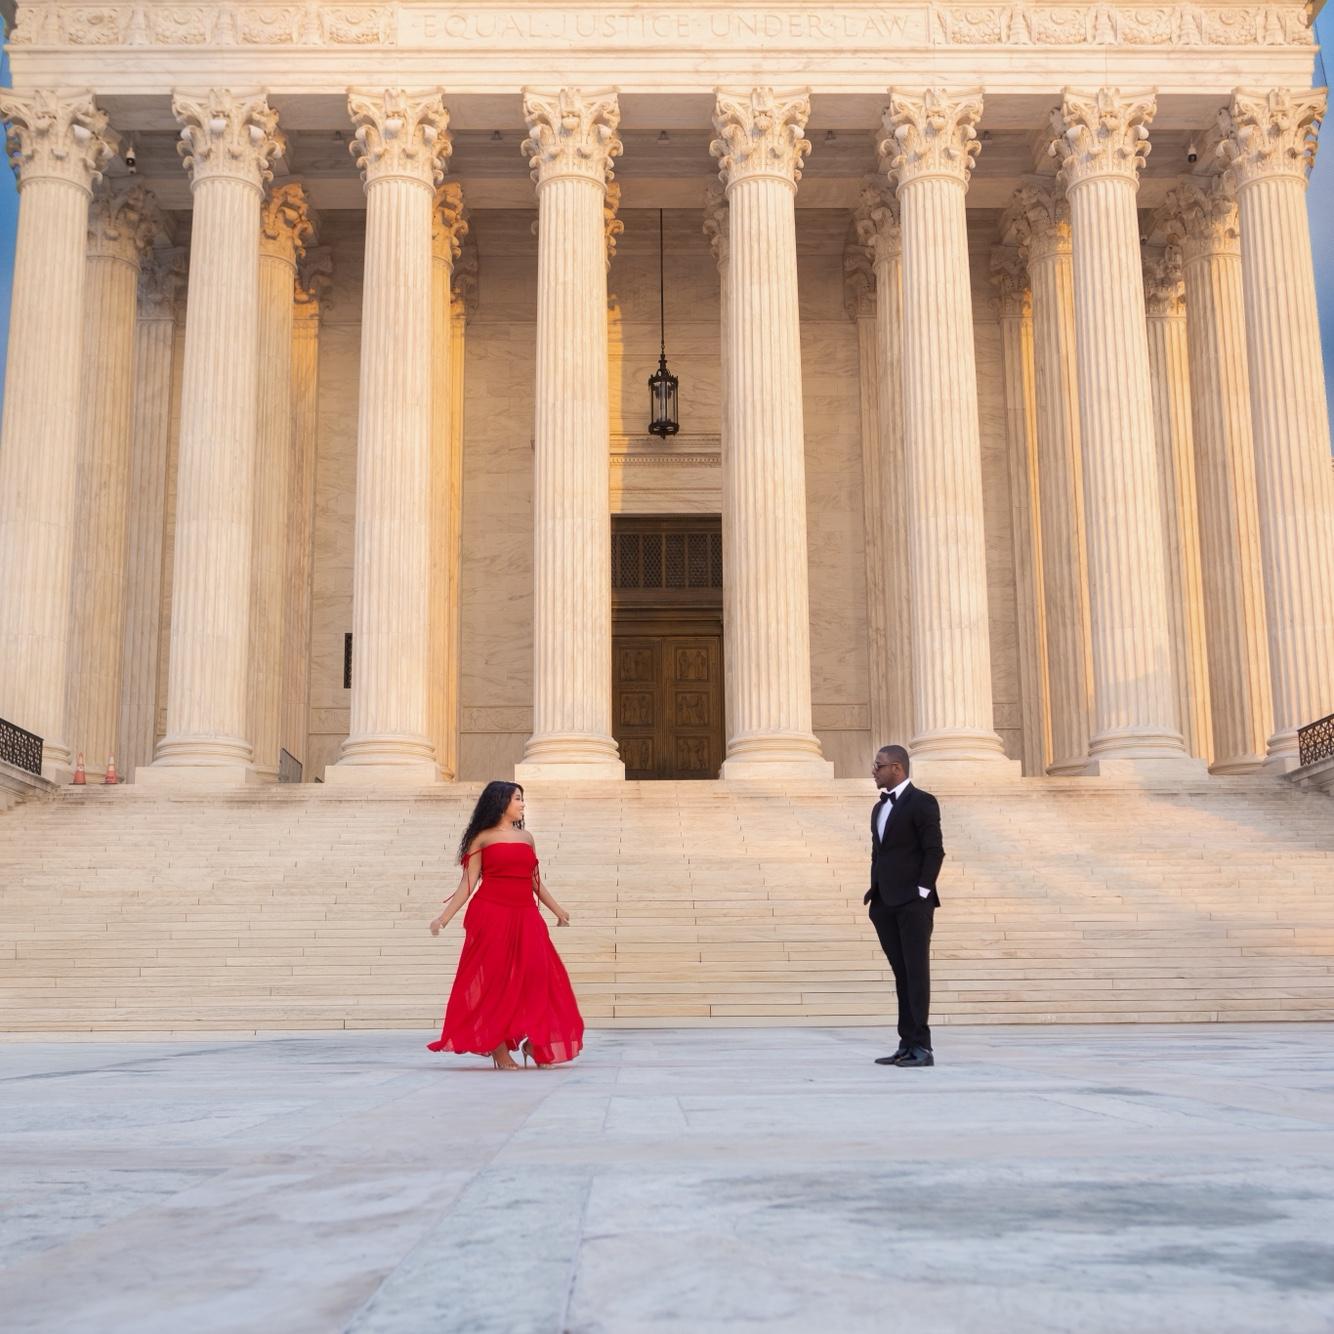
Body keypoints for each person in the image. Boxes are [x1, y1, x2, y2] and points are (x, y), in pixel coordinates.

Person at [426, 781, 583, 1069]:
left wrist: (558, 910)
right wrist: (444, 918)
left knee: (540, 976)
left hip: (525, 914)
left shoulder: (527, 838)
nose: (522, 804)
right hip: (491, 914)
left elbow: (535, 880)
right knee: (495, 980)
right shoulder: (482, 838)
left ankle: (534, 1044)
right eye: (518, 799)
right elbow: (469, 883)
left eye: (522, 799)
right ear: (501, 802)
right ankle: (497, 1048)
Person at [865, 744, 944, 1068]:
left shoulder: (922, 802)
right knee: (901, 974)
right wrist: (875, 892)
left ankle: (921, 1048)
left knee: (916, 973)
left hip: (912, 903)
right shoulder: (878, 808)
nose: (874, 770)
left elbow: (934, 850)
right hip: (885, 902)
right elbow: (878, 854)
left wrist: (922, 892)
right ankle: (905, 1042)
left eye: (879, 765)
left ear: (896, 768)